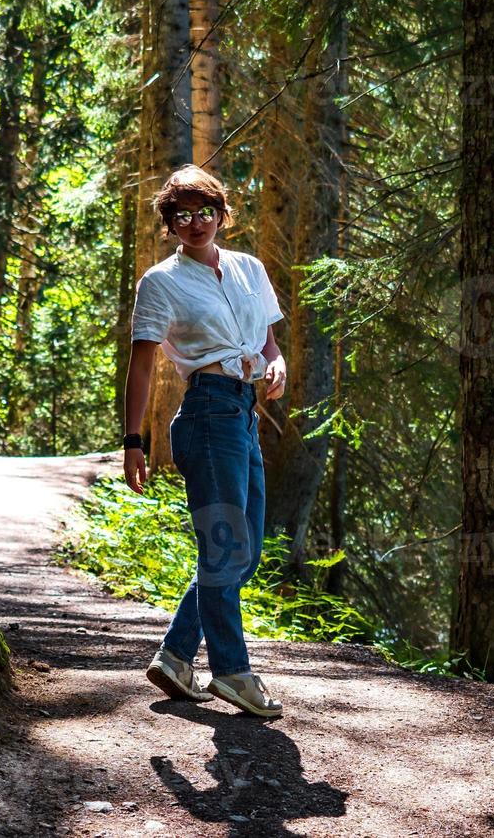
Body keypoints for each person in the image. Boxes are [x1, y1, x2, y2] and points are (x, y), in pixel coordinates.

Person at [123, 164, 288, 718]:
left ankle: (174, 656)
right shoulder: (160, 282)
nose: (196, 223)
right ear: (170, 223)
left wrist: (277, 365)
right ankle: (233, 672)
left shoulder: (249, 268)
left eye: (206, 212)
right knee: (224, 547)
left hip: (243, 414)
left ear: (222, 215)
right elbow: (141, 365)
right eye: (183, 216)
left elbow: (268, 342)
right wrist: (133, 440)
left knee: (244, 552)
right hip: (206, 412)